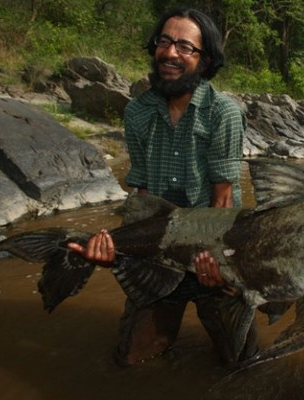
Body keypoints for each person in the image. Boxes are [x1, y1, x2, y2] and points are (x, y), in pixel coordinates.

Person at [66, 6, 257, 367]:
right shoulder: (137, 112)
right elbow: (141, 197)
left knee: (243, 365)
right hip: (157, 253)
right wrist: (119, 249)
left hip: (209, 255)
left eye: (185, 47)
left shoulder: (223, 113)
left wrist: (218, 266)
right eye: (165, 42)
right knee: (130, 359)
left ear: (205, 60)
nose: (170, 53)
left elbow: (224, 199)